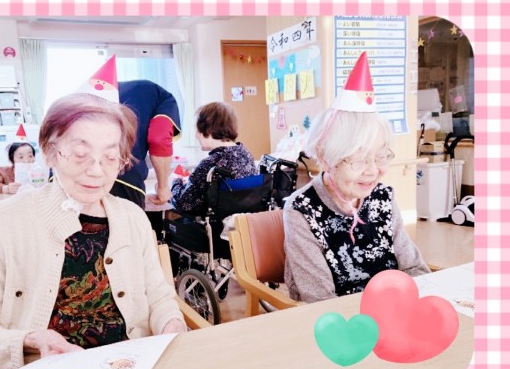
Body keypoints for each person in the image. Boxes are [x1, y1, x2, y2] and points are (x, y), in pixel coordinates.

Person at [0, 93, 186, 369]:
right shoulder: (0, 224)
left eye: (110, 157)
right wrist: (31, 340)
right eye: (80, 154)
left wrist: (171, 323)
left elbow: (160, 298)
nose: (96, 171)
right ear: (49, 152)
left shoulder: (132, 218)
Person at [283, 52, 429, 304]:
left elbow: (414, 269)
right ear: (325, 157)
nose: (373, 170)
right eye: (359, 159)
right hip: (340, 319)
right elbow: (320, 299)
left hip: (393, 308)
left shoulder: (382, 197)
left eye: (381, 156)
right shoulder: (301, 210)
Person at [170, 102, 257, 214]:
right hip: (243, 220)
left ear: (208, 130)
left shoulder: (210, 164)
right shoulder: (246, 155)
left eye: (197, 129)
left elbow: (183, 204)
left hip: (214, 222)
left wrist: (176, 181)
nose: (196, 135)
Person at [112, 80, 181, 209]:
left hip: (84, 179)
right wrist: (163, 187)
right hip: (125, 179)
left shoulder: (105, 89)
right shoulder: (164, 98)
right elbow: (159, 139)